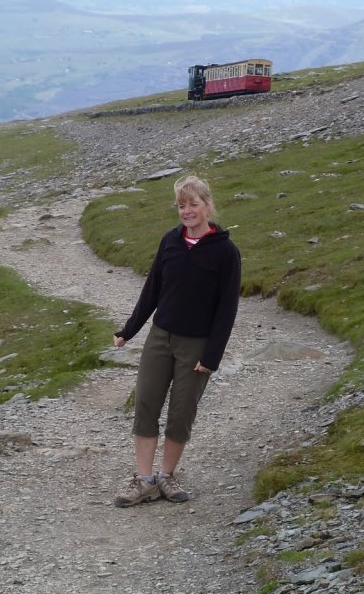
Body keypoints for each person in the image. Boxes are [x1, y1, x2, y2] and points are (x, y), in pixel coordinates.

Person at [111, 174, 241, 507]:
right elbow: (152, 289)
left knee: (181, 413)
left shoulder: (226, 251)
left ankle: (167, 476)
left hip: (196, 345)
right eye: (181, 206)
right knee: (145, 405)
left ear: (208, 206)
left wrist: (212, 356)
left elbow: (227, 309)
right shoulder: (170, 241)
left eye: (192, 204)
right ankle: (144, 481)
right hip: (160, 337)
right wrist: (129, 330)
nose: (186, 211)